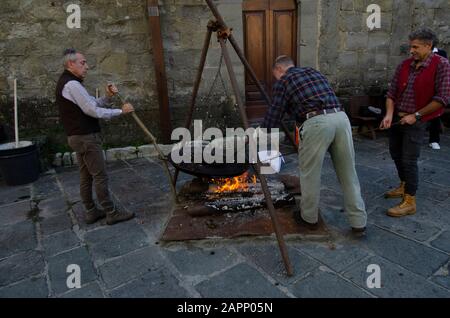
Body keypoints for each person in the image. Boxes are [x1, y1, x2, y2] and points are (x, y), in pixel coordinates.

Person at [262, 55, 367, 234]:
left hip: (317, 123)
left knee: (310, 174)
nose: (276, 79)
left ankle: (308, 219)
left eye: (275, 75)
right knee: (348, 173)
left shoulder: (284, 80)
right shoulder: (313, 72)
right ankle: (359, 222)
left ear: (279, 70)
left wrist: (262, 133)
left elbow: (275, 113)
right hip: (341, 118)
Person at [56, 48, 135, 225]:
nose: (87, 67)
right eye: (83, 63)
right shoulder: (72, 85)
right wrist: (120, 111)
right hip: (85, 137)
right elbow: (92, 110)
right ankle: (111, 212)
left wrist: (107, 97)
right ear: (71, 64)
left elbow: (92, 103)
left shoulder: (70, 83)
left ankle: (91, 211)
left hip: (78, 137)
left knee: (86, 176)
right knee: (100, 176)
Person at [380, 28, 450, 217]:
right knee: (395, 154)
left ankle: (410, 200)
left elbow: (442, 98)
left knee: (409, 159)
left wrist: (416, 115)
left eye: (415, 47)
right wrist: (388, 114)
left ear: (428, 46)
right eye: (411, 47)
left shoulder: (442, 65)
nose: (411, 51)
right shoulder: (405, 65)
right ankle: (404, 185)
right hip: (398, 118)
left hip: (417, 121)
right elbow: (392, 93)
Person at [428, 46, 448, 150]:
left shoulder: (441, 53)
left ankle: (434, 140)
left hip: (436, 87)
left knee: (435, 114)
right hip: (423, 85)